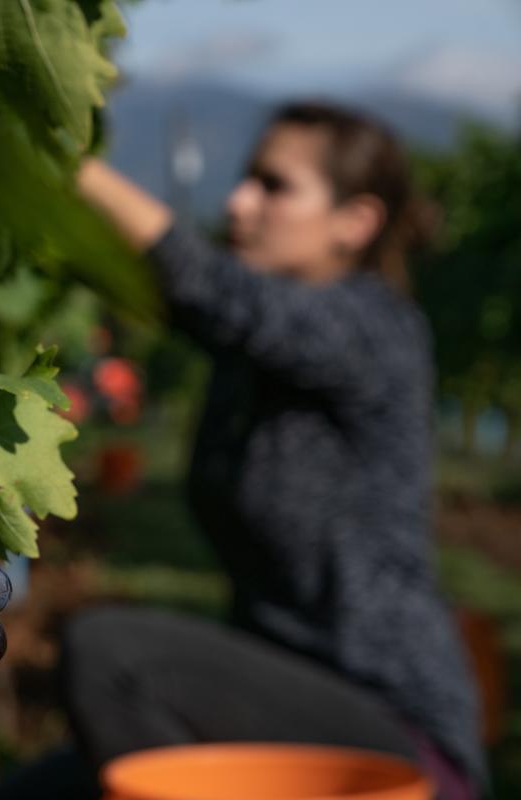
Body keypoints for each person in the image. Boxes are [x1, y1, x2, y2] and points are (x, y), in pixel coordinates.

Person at [41, 102, 488, 800]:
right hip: (279, 707)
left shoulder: (374, 327)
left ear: (356, 222)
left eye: (273, 186)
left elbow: (213, 292)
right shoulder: (253, 360)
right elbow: (196, 303)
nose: (237, 202)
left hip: (397, 740)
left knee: (112, 660)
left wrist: (66, 160)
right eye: (245, 179)